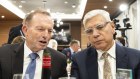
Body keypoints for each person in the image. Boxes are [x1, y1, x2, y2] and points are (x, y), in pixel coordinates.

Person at [71, 9, 140, 79]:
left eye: (100, 27)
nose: (95, 34)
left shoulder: (136, 57)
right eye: (89, 31)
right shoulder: (79, 60)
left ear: (112, 26)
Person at [0, 9, 67, 79]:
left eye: (50, 31)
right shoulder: (3, 54)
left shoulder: (59, 59)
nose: (46, 35)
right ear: (25, 30)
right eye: (40, 29)